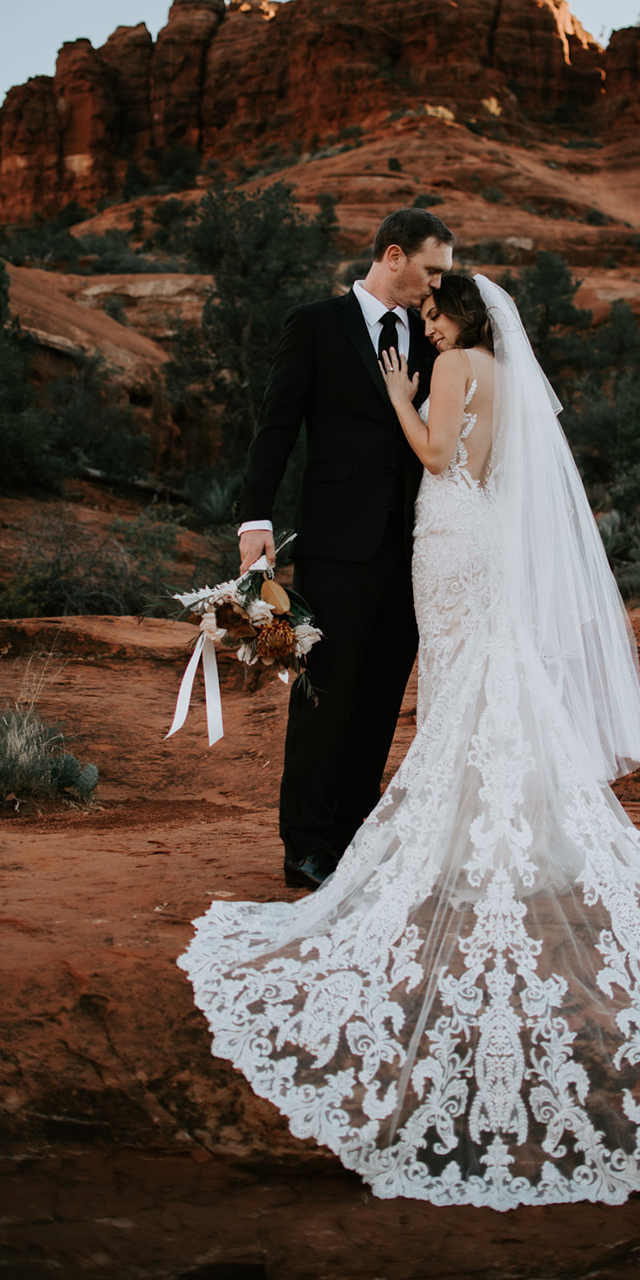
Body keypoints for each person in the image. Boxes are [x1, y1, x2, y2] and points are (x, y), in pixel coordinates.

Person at [181, 273, 640, 1210]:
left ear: (460, 316)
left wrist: (399, 396)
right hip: (484, 538)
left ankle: (457, 840)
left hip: (448, 538)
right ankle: (515, 830)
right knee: (488, 678)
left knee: (459, 686)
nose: (426, 326)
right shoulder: (512, 374)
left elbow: (437, 454)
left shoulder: (450, 367)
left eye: (434, 315)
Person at [233, 205, 453, 890]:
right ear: (394, 256)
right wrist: (254, 517)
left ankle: (356, 836)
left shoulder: (433, 335)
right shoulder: (315, 324)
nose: (438, 284)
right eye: (432, 269)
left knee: (383, 694)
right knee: (325, 693)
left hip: (416, 544)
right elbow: (276, 425)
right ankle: (305, 841)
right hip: (335, 541)